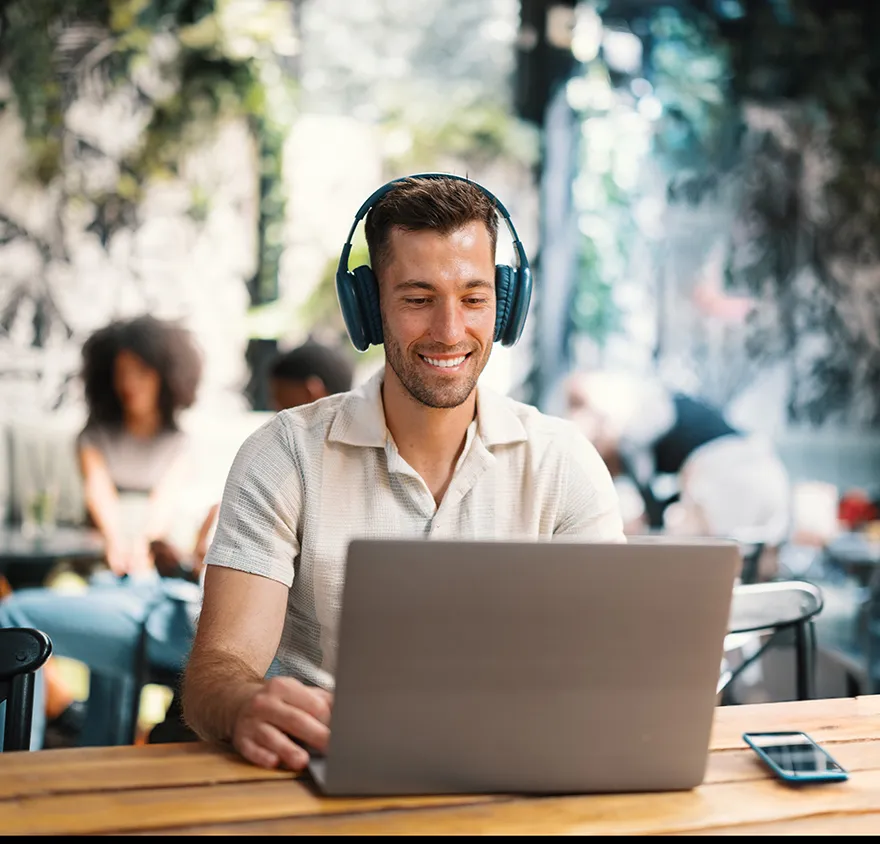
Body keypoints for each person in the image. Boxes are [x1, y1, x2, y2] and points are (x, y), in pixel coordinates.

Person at [181, 173, 625, 771]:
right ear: (368, 309)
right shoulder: (284, 454)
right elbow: (217, 672)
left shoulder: (563, 463)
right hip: (325, 768)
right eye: (417, 299)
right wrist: (243, 704)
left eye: (474, 298)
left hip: (511, 772)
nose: (449, 331)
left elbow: (608, 670)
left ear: (507, 304)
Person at [0, 314, 205, 749]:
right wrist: (118, 545)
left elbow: (161, 511)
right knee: (94, 590)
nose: (129, 383)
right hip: (99, 560)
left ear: (164, 377)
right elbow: (101, 499)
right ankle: (66, 733)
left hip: (154, 571)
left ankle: (91, 741)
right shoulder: (94, 435)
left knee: (91, 610)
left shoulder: (178, 442)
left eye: (141, 372)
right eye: (121, 373)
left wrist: (142, 551)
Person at [146, 339, 355, 744]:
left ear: (312, 391)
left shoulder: (303, 467)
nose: (278, 413)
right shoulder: (280, 458)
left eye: (281, 400)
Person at [563, 369, 791, 553]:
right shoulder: (649, 409)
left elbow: (642, 476)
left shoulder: (639, 413)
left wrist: (651, 519)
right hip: (748, 468)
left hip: (732, 471)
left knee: (719, 557)